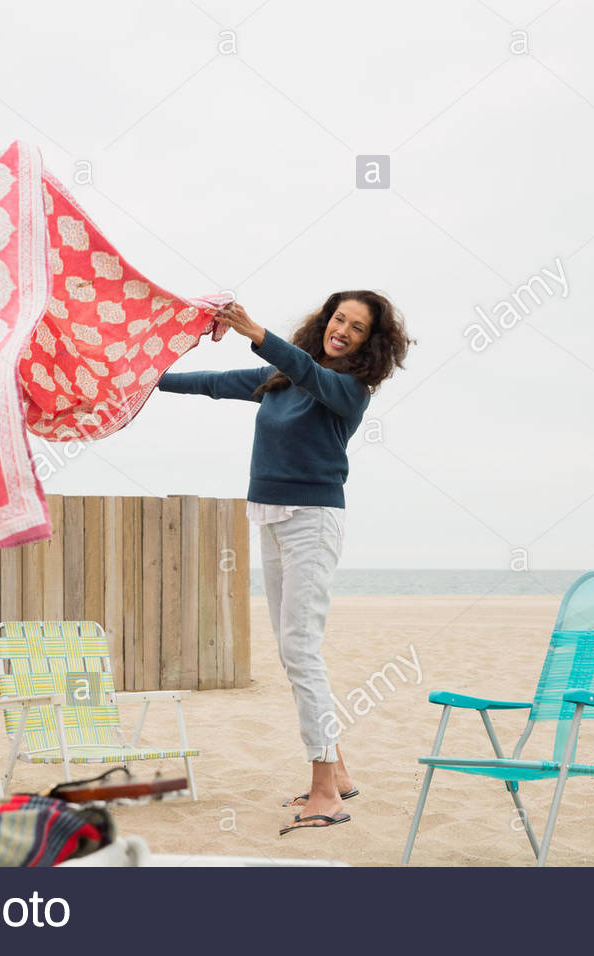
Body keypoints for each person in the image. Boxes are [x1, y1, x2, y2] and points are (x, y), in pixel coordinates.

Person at [157, 291, 411, 834]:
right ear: (325, 321)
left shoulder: (348, 390)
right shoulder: (280, 380)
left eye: (358, 328)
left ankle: (325, 790)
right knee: (291, 651)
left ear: (371, 342)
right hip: (270, 518)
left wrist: (255, 331)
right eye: (339, 319)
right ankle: (336, 769)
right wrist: (142, 380)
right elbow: (211, 383)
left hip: (312, 522)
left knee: (301, 651)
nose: (343, 330)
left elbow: (300, 367)